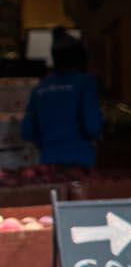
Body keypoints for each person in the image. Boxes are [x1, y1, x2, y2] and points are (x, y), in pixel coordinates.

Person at [22, 31, 103, 168]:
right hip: (80, 158)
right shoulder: (85, 83)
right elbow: (93, 126)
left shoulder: (39, 89)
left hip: (48, 159)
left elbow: (27, 131)